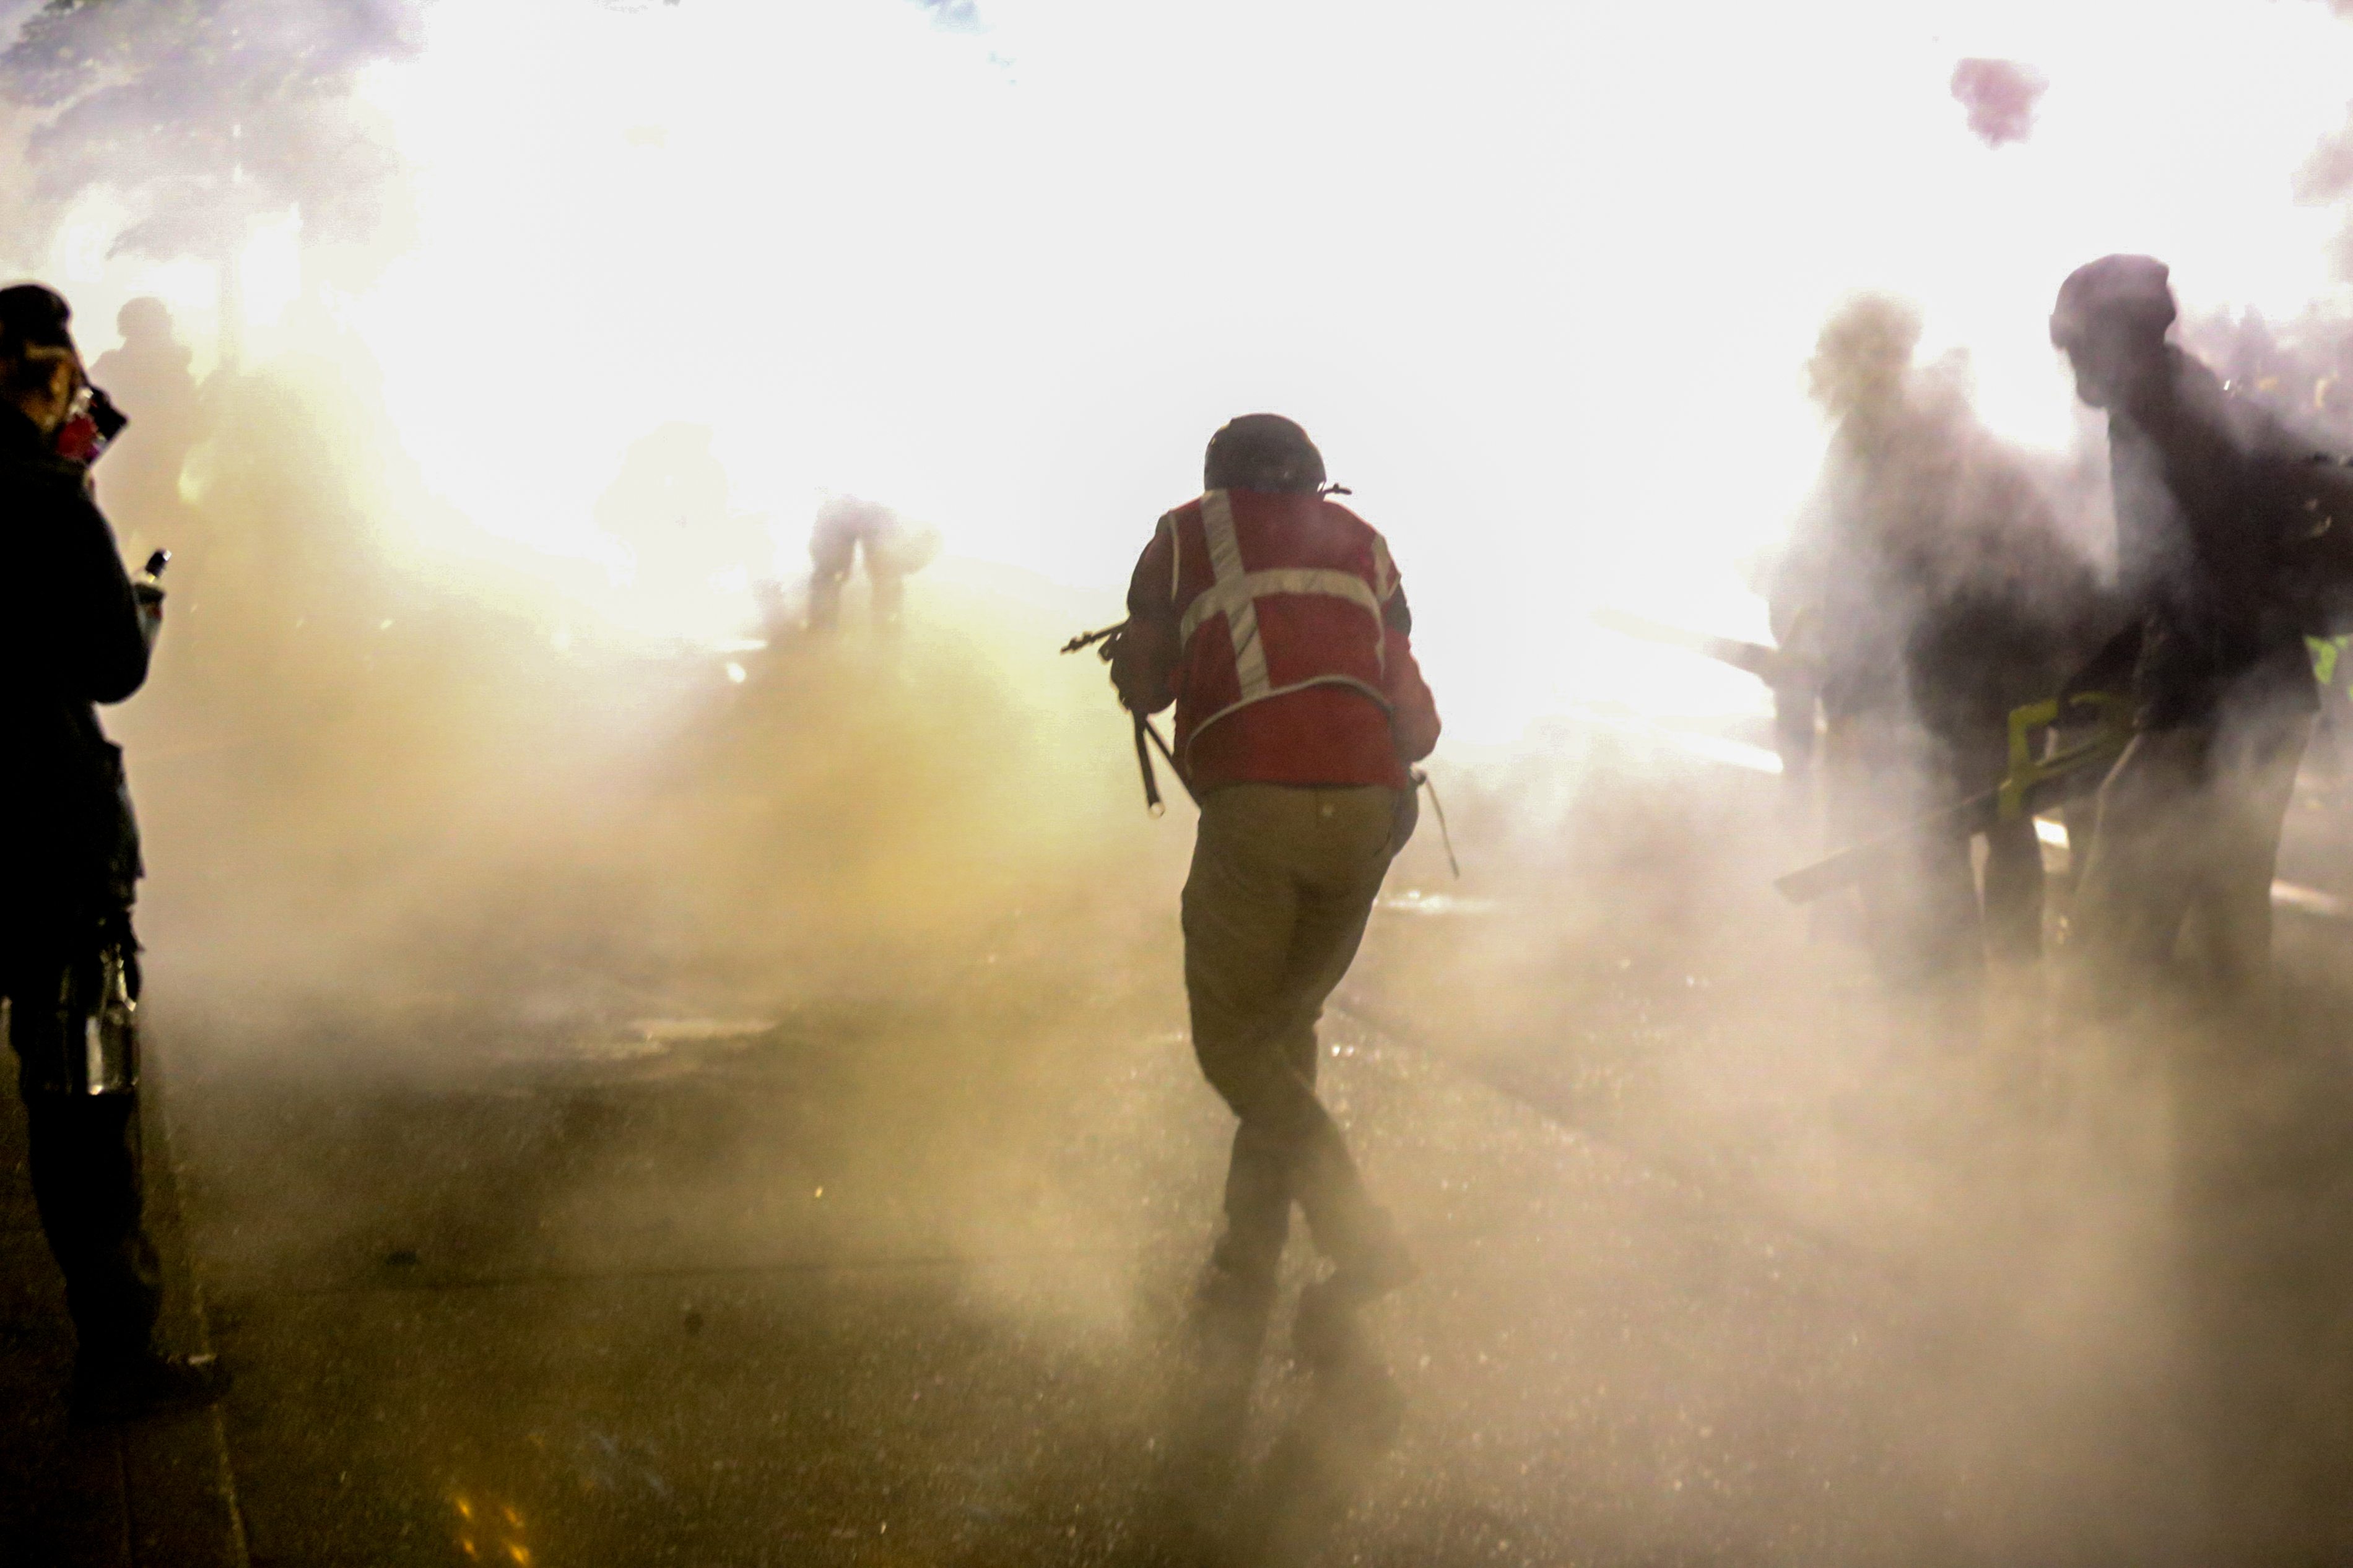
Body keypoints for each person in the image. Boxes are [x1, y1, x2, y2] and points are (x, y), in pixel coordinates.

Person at [1111, 414, 1438, 1408]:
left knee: (1233, 1046)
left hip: (1257, 805)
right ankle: (1245, 1252)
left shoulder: (1184, 537)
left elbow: (1147, 681)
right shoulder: (1367, 547)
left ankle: (1359, 1234)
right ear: (1316, 485)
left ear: (1219, 481)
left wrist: (1139, 666)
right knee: (1285, 1028)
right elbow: (1419, 722)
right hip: (1369, 816)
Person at [0, 282, 225, 1421]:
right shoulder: (50, 506)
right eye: (59, 376)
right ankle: (118, 1355)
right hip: (50, 835)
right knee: (84, 1109)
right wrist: (141, 599)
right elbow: (110, 666)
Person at [1775, 296, 2103, 989]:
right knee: (1949, 834)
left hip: (1982, 677)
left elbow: (1965, 570)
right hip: (1936, 682)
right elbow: (1823, 560)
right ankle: (1960, 992)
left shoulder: (1927, 440)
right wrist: (1808, 625)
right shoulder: (1857, 445)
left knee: (1981, 826)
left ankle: (1996, 990)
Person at [2051, 256, 2320, 1007]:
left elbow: (2210, 589)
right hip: (2255, 697)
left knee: (2120, 924)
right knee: (2226, 923)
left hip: (2224, 703)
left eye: (2076, 347)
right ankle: (2236, 1092)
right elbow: (2166, 584)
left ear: (2117, 342)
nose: (2070, 365)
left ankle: (2130, 1096)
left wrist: (2164, 714)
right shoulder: (2166, 405)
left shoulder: (2172, 421)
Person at [806, 493, 940, 634]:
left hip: (847, 511)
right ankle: (886, 639)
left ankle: (821, 634)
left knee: (831, 576)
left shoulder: (888, 522)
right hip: (862, 512)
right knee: (886, 580)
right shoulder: (894, 523)